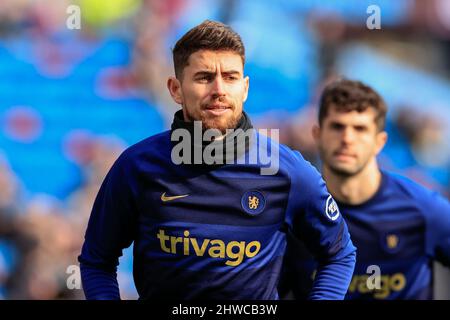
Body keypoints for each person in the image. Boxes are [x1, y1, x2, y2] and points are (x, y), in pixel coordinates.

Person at [78, 20, 356, 300]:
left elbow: (339, 254)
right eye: (204, 77)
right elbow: (97, 261)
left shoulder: (287, 171)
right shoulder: (137, 167)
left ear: (245, 88)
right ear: (176, 89)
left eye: (231, 77)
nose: (219, 89)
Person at [280, 79, 450, 300]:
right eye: (337, 126)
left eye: (360, 129)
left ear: (380, 142)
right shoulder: (293, 215)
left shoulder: (423, 209)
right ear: (317, 135)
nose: (347, 139)